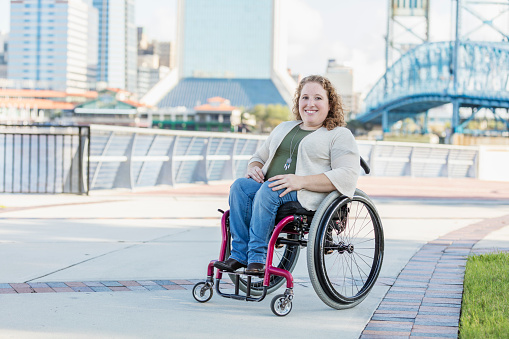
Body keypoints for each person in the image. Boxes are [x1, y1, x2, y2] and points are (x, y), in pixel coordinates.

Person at [214, 75, 360, 276]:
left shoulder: (338, 134)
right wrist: (254, 167)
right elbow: (258, 157)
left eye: (318, 98)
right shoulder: (284, 128)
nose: (310, 104)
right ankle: (239, 255)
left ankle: (257, 258)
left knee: (270, 188)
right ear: (298, 101)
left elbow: (347, 174)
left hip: (306, 194)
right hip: (271, 190)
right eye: (305, 97)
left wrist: (300, 181)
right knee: (240, 186)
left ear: (330, 103)